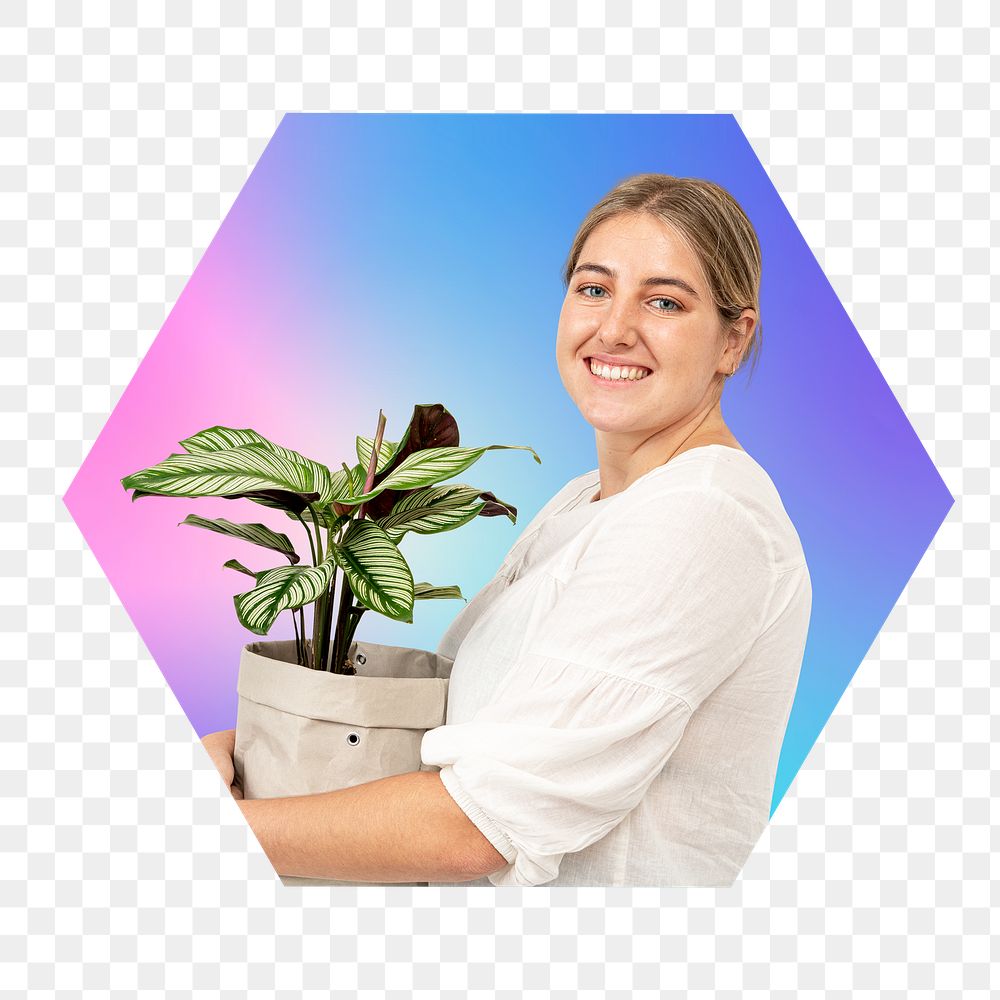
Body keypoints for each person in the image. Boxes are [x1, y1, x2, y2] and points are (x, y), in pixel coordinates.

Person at [202, 173, 812, 888]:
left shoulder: (702, 518)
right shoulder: (589, 501)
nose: (614, 328)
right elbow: (465, 744)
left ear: (732, 342)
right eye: (593, 289)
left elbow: (476, 829)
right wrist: (253, 754)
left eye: (664, 301)